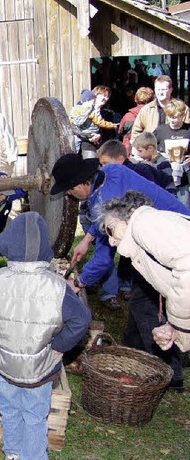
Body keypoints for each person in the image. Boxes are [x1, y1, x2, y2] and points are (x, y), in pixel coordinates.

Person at [0, 212, 91, 460]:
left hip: (5, 365)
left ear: (7, 244)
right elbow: (81, 320)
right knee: (35, 416)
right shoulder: (58, 286)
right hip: (40, 370)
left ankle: (13, 453)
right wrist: (60, 345)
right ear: (44, 250)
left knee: (9, 409)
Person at [50, 153, 189, 391]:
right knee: (139, 300)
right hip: (175, 224)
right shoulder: (112, 172)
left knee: (147, 305)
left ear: (81, 184)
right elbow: (110, 210)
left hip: (164, 247)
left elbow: (104, 258)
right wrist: (89, 237)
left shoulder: (115, 209)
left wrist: (80, 282)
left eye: (69, 190)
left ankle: (172, 374)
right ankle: (131, 352)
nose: (68, 195)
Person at [97, 191, 190, 360]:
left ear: (130, 213)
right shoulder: (148, 230)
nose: (110, 241)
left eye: (110, 229)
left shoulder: (143, 223)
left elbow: (187, 266)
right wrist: (174, 328)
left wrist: (178, 323)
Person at [153, 98, 190, 206]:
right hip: (166, 176)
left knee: (184, 207)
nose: (173, 120)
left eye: (176, 117)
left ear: (182, 115)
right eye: (170, 117)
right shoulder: (161, 130)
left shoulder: (188, 130)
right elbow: (150, 147)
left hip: (184, 179)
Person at [70, 89, 118, 159]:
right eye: (103, 95)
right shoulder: (81, 109)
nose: (105, 98)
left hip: (100, 144)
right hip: (85, 142)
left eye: (107, 96)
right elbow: (73, 125)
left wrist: (100, 136)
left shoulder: (108, 114)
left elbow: (111, 133)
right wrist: (87, 136)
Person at [118, 87, 154, 156]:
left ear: (135, 99)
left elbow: (120, 131)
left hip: (130, 151)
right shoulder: (154, 115)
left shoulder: (128, 116)